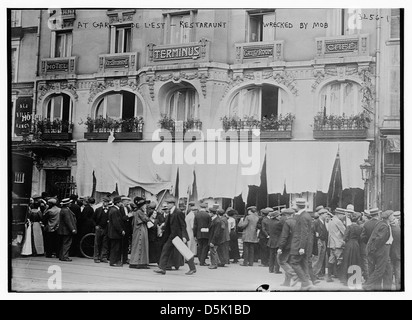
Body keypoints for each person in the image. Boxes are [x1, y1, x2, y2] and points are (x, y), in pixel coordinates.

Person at [154, 196, 197, 275]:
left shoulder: (178, 212)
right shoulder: (171, 212)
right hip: (172, 236)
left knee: (185, 252)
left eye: (168, 204)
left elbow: (183, 225)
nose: (167, 205)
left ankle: (193, 268)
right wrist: (162, 229)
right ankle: (162, 268)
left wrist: (184, 236)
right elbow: (168, 224)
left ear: (173, 204)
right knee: (165, 250)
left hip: (178, 236)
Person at [363, 210, 395, 291]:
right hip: (383, 250)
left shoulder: (382, 223)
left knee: (388, 270)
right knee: (380, 270)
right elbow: (379, 240)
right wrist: (376, 251)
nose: (393, 217)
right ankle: (367, 285)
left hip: (384, 249)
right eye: (392, 216)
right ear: (389, 217)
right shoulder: (384, 226)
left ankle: (387, 289)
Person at [289, 198, 314, 290]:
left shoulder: (303, 217)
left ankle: (305, 282)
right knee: (303, 263)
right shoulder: (305, 215)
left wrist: (302, 247)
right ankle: (306, 282)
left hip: (299, 244)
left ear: (297, 206)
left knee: (294, 262)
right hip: (303, 244)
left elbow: (304, 233)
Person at [277, 208, 298, 287]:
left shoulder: (287, 222)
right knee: (288, 263)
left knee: (281, 261)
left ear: (287, 215)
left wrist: (280, 247)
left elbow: (284, 236)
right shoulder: (298, 221)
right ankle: (287, 282)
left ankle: (294, 275)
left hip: (287, 246)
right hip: (295, 245)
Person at [341, 212, 362, 285]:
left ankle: (346, 279)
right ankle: (355, 280)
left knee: (347, 261)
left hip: (349, 245)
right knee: (355, 261)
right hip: (356, 245)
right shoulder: (360, 227)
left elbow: (344, 238)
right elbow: (360, 238)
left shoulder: (349, 227)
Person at [129, 197, 151, 269]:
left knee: (138, 245)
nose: (145, 207)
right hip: (140, 230)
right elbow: (146, 219)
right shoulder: (140, 212)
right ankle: (139, 262)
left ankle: (136, 262)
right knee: (140, 245)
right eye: (144, 205)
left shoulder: (136, 211)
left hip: (139, 229)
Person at [360, 207, 381, 280]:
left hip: (369, 248)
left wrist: (368, 242)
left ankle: (370, 281)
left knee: (370, 265)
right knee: (378, 266)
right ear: (378, 214)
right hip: (379, 248)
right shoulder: (381, 223)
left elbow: (362, 237)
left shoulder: (366, 224)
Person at [326, 208, 346, 283]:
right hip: (338, 243)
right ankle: (341, 277)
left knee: (331, 260)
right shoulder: (338, 221)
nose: (343, 216)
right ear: (339, 214)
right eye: (342, 214)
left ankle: (329, 276)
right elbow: (345, 232)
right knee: (340, 260)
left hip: (331, 243)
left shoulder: (331, 220)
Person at [108, 196, 125, 267]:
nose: (121, 203)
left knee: (115, 247)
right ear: (117, 203)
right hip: (115, 233)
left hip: (113, 232)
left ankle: (114, 261)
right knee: (115, 247)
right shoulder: (115, 211)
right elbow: (116, 223)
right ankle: (113, 262)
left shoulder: (113, 209)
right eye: (120, 202)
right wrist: (121, 230)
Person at [264, 209, 283, 274]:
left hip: (271, 240)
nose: (280, 216)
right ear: (276, 216)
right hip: (277, 240)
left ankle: (270, 269)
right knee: (277, 256)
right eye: (279, 215)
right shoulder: (278, 223)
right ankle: (276, 269)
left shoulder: (270, 222)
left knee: (271, 255)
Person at [312, 208, 328, 279]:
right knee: (317, 259)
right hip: (318, 241)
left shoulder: (323, 222)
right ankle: (312, 274)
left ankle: (316, 274)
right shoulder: (316, 222)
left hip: (323, 241)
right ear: (321, 214)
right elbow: (313, 232)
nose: (326, 215)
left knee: (321, 258)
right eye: (325, 214)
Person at [92, 197, 110, 263]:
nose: (106, 203)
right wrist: (96, 225)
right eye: (105, 202)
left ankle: (103, 257)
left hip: (106, 228)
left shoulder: (110, 210)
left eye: (107, 202)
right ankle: (96, 257)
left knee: (105, 243)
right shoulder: (98, 210)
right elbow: (93, 219)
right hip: (99, 228)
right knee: (97, 243)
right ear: (103, 202)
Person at [120, 196, 133, 264]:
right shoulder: (120, 208)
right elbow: (121, 218)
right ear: (123, 201)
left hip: (127, 228)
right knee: (122, 244)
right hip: (123, 228)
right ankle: (121, 259)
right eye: (126, 201)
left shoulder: (128, 208)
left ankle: (125, 258)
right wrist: (128, 216)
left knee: (126, 244)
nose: (128, 202)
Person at [390, 211, 401, 290]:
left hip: (390, 253)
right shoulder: (399, 229)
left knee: (390, 271)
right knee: (398, 271)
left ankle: (389, 287)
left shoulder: (389, 229)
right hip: (398, 253)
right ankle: (398, 287)